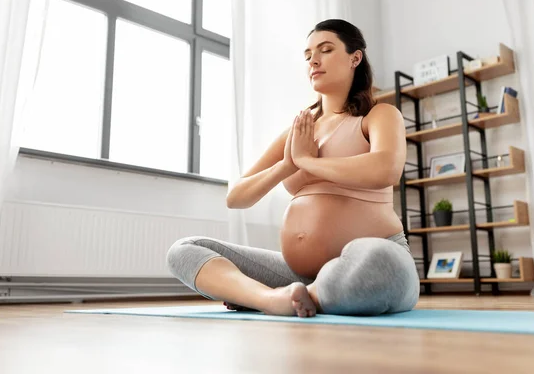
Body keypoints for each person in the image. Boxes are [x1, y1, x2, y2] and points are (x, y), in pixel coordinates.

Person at [166, 19, 419, 317]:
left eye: (325, 50)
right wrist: (287, 165)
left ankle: (298, 296)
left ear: (355, 58)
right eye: (308, 54)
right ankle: (272, 299)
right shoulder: (299, 131)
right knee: (185, 249)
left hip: (372, 257)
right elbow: (236, 197)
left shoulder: (379, 115)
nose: (314, 60)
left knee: (377, 264)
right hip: (298, 275)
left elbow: (385, 169)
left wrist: (309, 162)